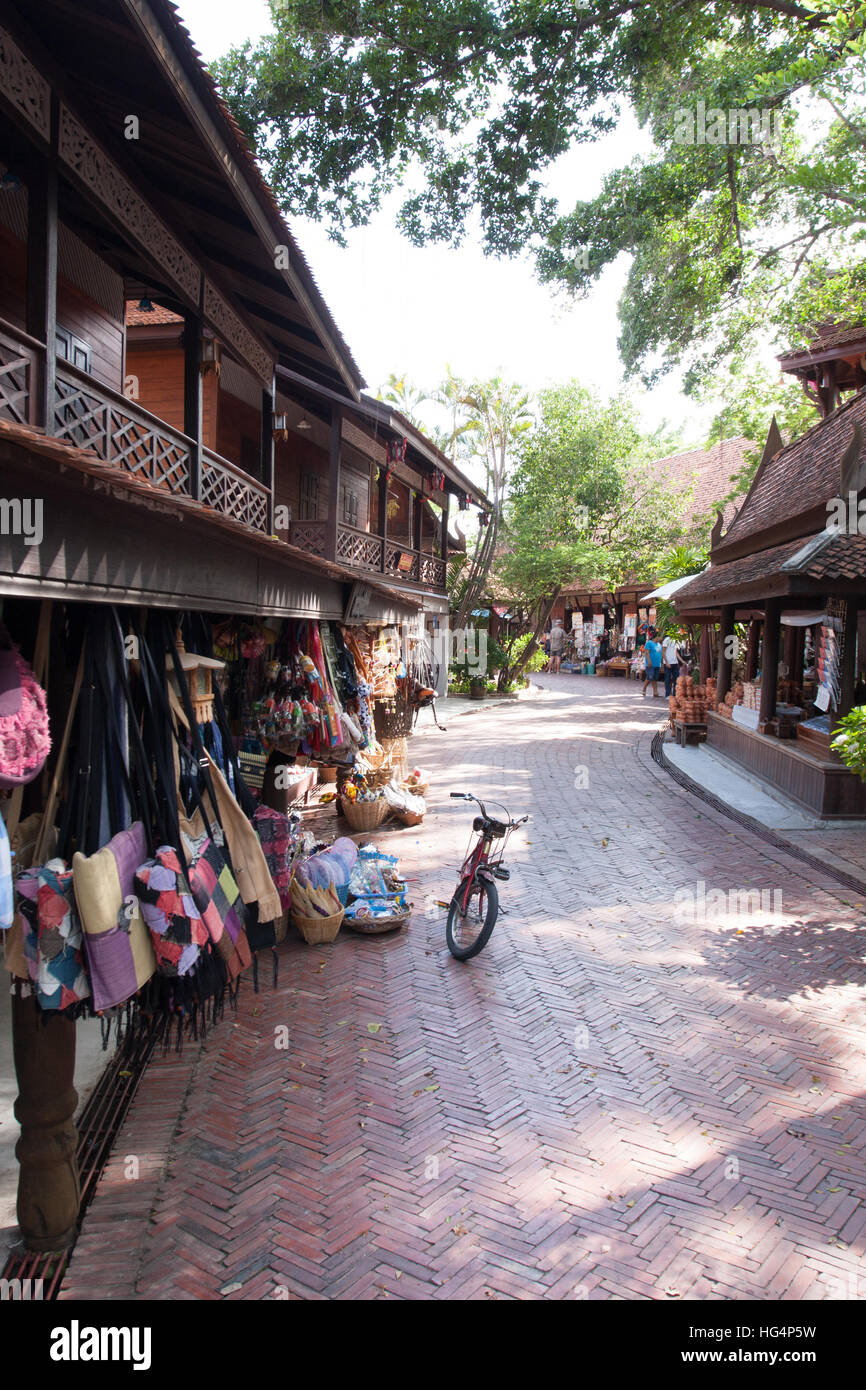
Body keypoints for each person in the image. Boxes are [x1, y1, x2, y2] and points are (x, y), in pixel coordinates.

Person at [642, 627, 662, 698]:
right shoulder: (649, 643)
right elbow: (647, 653)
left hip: (657, 663)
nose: (661, 639)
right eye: (660, 637)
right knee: (650, 677)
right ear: (656, 637)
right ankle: (644, 689)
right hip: (650, 663)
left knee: (655, 678)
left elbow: (660, 654)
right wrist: (649, 661)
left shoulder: (659, 645)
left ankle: (655, 692)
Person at [662, 630, 681, 698]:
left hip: (675, 662)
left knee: (676, 679)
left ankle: (675, 694)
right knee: (667, 679)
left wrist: (681, 660)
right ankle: (667, 694)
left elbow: (676, 652)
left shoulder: (676, 641)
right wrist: (666, 662)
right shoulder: (666, 640)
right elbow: (663, 652)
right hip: (668, 662)